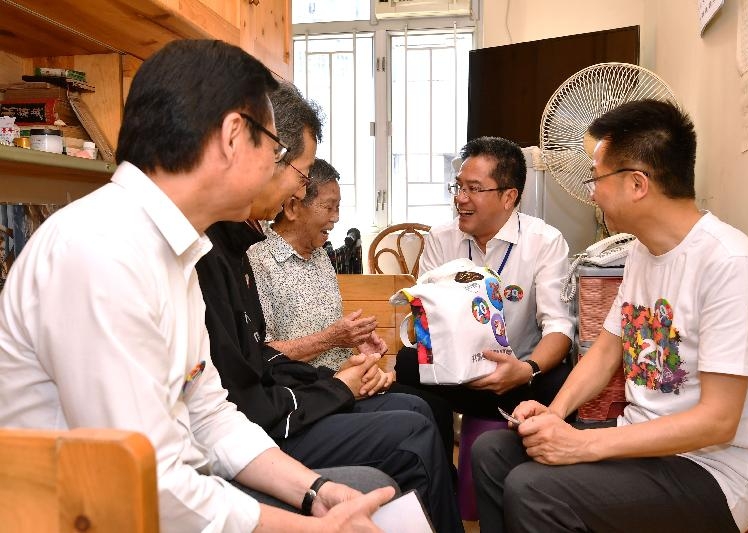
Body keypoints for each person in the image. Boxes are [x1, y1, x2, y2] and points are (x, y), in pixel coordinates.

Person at [0, 40, 397, 533]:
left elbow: (209, 414)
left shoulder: (177, 250)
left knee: (356, 488)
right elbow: (144, 480)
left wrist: (315, 491)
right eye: (274, 149)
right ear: (234, 137)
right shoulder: (101, 250)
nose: (289, 180)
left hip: (168, 490)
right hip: (94, 515)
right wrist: (309, 527)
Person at [472, 100, 748, 533]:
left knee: (533, 488)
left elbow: (718, 421)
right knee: (491, 453)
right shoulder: (641, 252)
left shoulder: (731, 265)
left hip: (713, 473)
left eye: (596, 177)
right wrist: (555, 413)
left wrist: (583, 444)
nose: (591, 192)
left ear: (637, 184)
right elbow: (604, 354)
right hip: (642, 451)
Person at [195, 84, 464, 533]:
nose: (294, 193)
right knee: (413, 432)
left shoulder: (264, 249)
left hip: (281, 404)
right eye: (302, 179)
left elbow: (254, 364)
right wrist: (338, 386)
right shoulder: (221, 254)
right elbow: (241, 397)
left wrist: (349, 371)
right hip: (271, 422)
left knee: (418, 409)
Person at [393, 136, 576, 457]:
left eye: (474, 189)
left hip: (518, 374)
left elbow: (559, 327)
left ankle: (527, 475)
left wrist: (526, 368)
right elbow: (426, 318)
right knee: (407, 365)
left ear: (509, 197)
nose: (460, 199)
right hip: (455, 377)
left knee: (562, 380)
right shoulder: (441, 238)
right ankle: (439, 476)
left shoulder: (544, 241)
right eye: (458, 187)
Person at [248, 157, 386, 371]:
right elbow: (263, 354)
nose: (336, 217)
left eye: (338, 207)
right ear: (293, 206)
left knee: (422, 402)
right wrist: (331, 338)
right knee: (414, 405)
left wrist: (355, 339)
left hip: (346, 381)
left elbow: (329, 330)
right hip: (306, 392)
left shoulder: (320, 255)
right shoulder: (259, 262)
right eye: (329, 207)